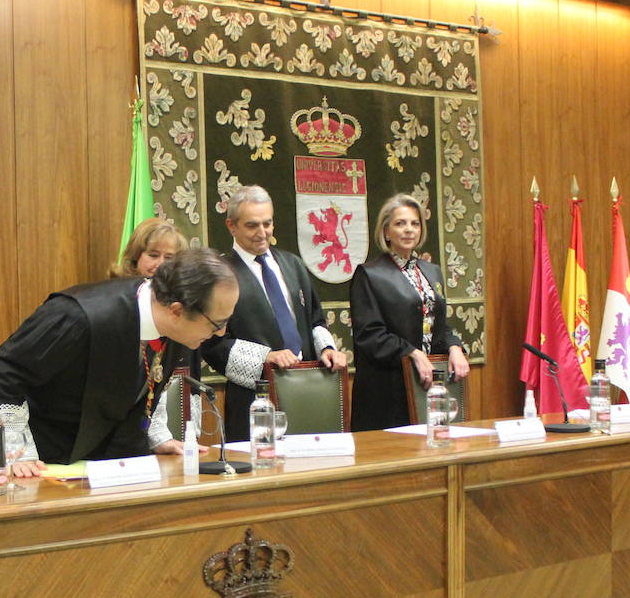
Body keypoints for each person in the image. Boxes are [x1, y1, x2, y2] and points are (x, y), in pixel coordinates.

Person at [0, 248, 238, 475]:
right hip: (48, 462)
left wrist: (157, 437)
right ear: (176, 311)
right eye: (217, 323)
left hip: (115, 461)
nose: (219, 333)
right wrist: (17, 452)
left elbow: (146, 385)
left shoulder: (179, 330)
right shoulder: (78, 316)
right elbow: (8, 370)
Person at [201, 186, 346, 441]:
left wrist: (327, 349)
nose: (262, 233)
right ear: (231, 226)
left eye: (267, 224)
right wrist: (266, 357)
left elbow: (315, 320)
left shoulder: (293, 264)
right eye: (252, 225)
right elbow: (212, 346)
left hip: (308, 393)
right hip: (254, 402)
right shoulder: (219, 275)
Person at [349, 193, 469, 431]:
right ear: (386, 231)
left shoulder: (432, 271)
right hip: (387, 391)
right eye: (400, 223)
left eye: (414, 223)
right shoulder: (370, 274)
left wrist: (454, 346)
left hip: (427, 386)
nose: (409, 230)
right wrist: (412, 353)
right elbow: (369, 335)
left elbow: (438, 325)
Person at [111, 217, 187, 279]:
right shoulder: (117, 293)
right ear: (135, 256)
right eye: (154, 255)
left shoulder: (182, 294)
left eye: (168, 258)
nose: (161, 264)